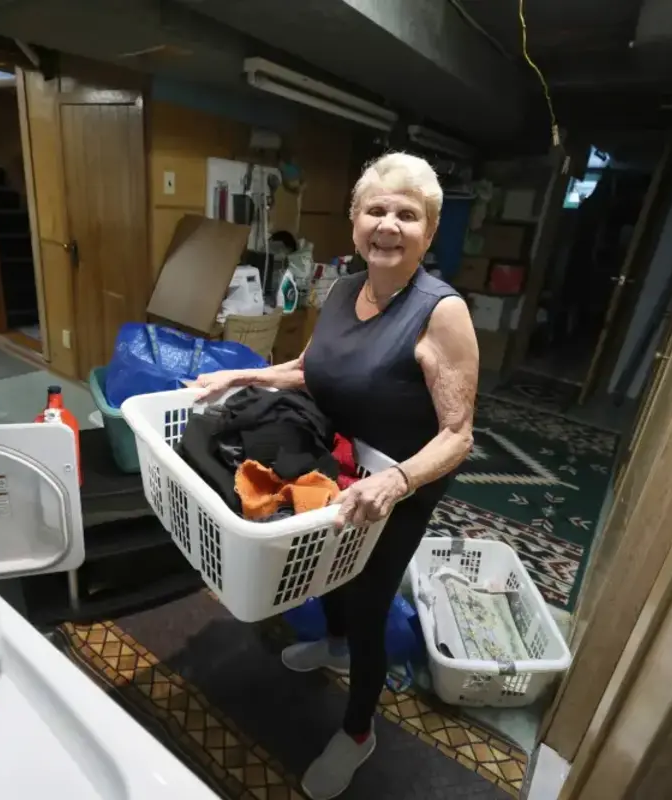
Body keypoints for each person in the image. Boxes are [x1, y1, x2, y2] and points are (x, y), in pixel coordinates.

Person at [195, 152, 479, 799]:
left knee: (370, 600)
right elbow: (309, 367)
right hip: (339, 465)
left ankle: (357, 732)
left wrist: (396, 483)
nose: (388, 224)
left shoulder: (441, 312)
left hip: (398, 486)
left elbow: (458, 434)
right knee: (321, 563)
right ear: (355, 223)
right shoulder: (346, 289)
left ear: (428, 233)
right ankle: (333, 642)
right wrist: (242, 374)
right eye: (376, 209)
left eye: (407, 215)